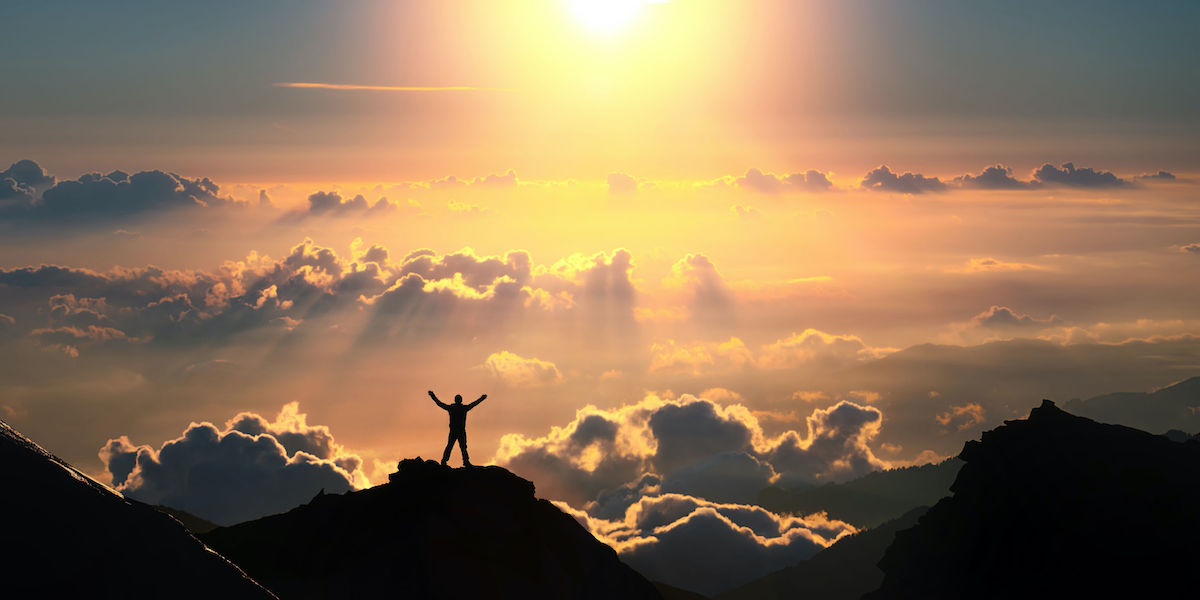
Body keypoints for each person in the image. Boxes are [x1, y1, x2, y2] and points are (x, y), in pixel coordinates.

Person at [428, 390, 487, 467]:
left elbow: (440, 404)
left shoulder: (454, 408)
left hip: (457, 431)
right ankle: (458, 461)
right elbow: (473, 404)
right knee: (457, 447)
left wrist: (432, 396)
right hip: (458, 431)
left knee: (457, 446)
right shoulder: (462, 408)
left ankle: (449, 461)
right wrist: (482, 398)